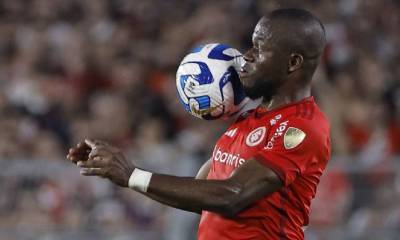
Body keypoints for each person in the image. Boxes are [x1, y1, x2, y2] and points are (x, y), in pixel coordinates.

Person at [67, 8, 330, 240]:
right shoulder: (249, 117)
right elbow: (201, 193)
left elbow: (232, 195)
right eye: (251, 45)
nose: (247, 55)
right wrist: (118, 170)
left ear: (293, 63)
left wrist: (131, 175)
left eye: (260, 49)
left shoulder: (303, 127)